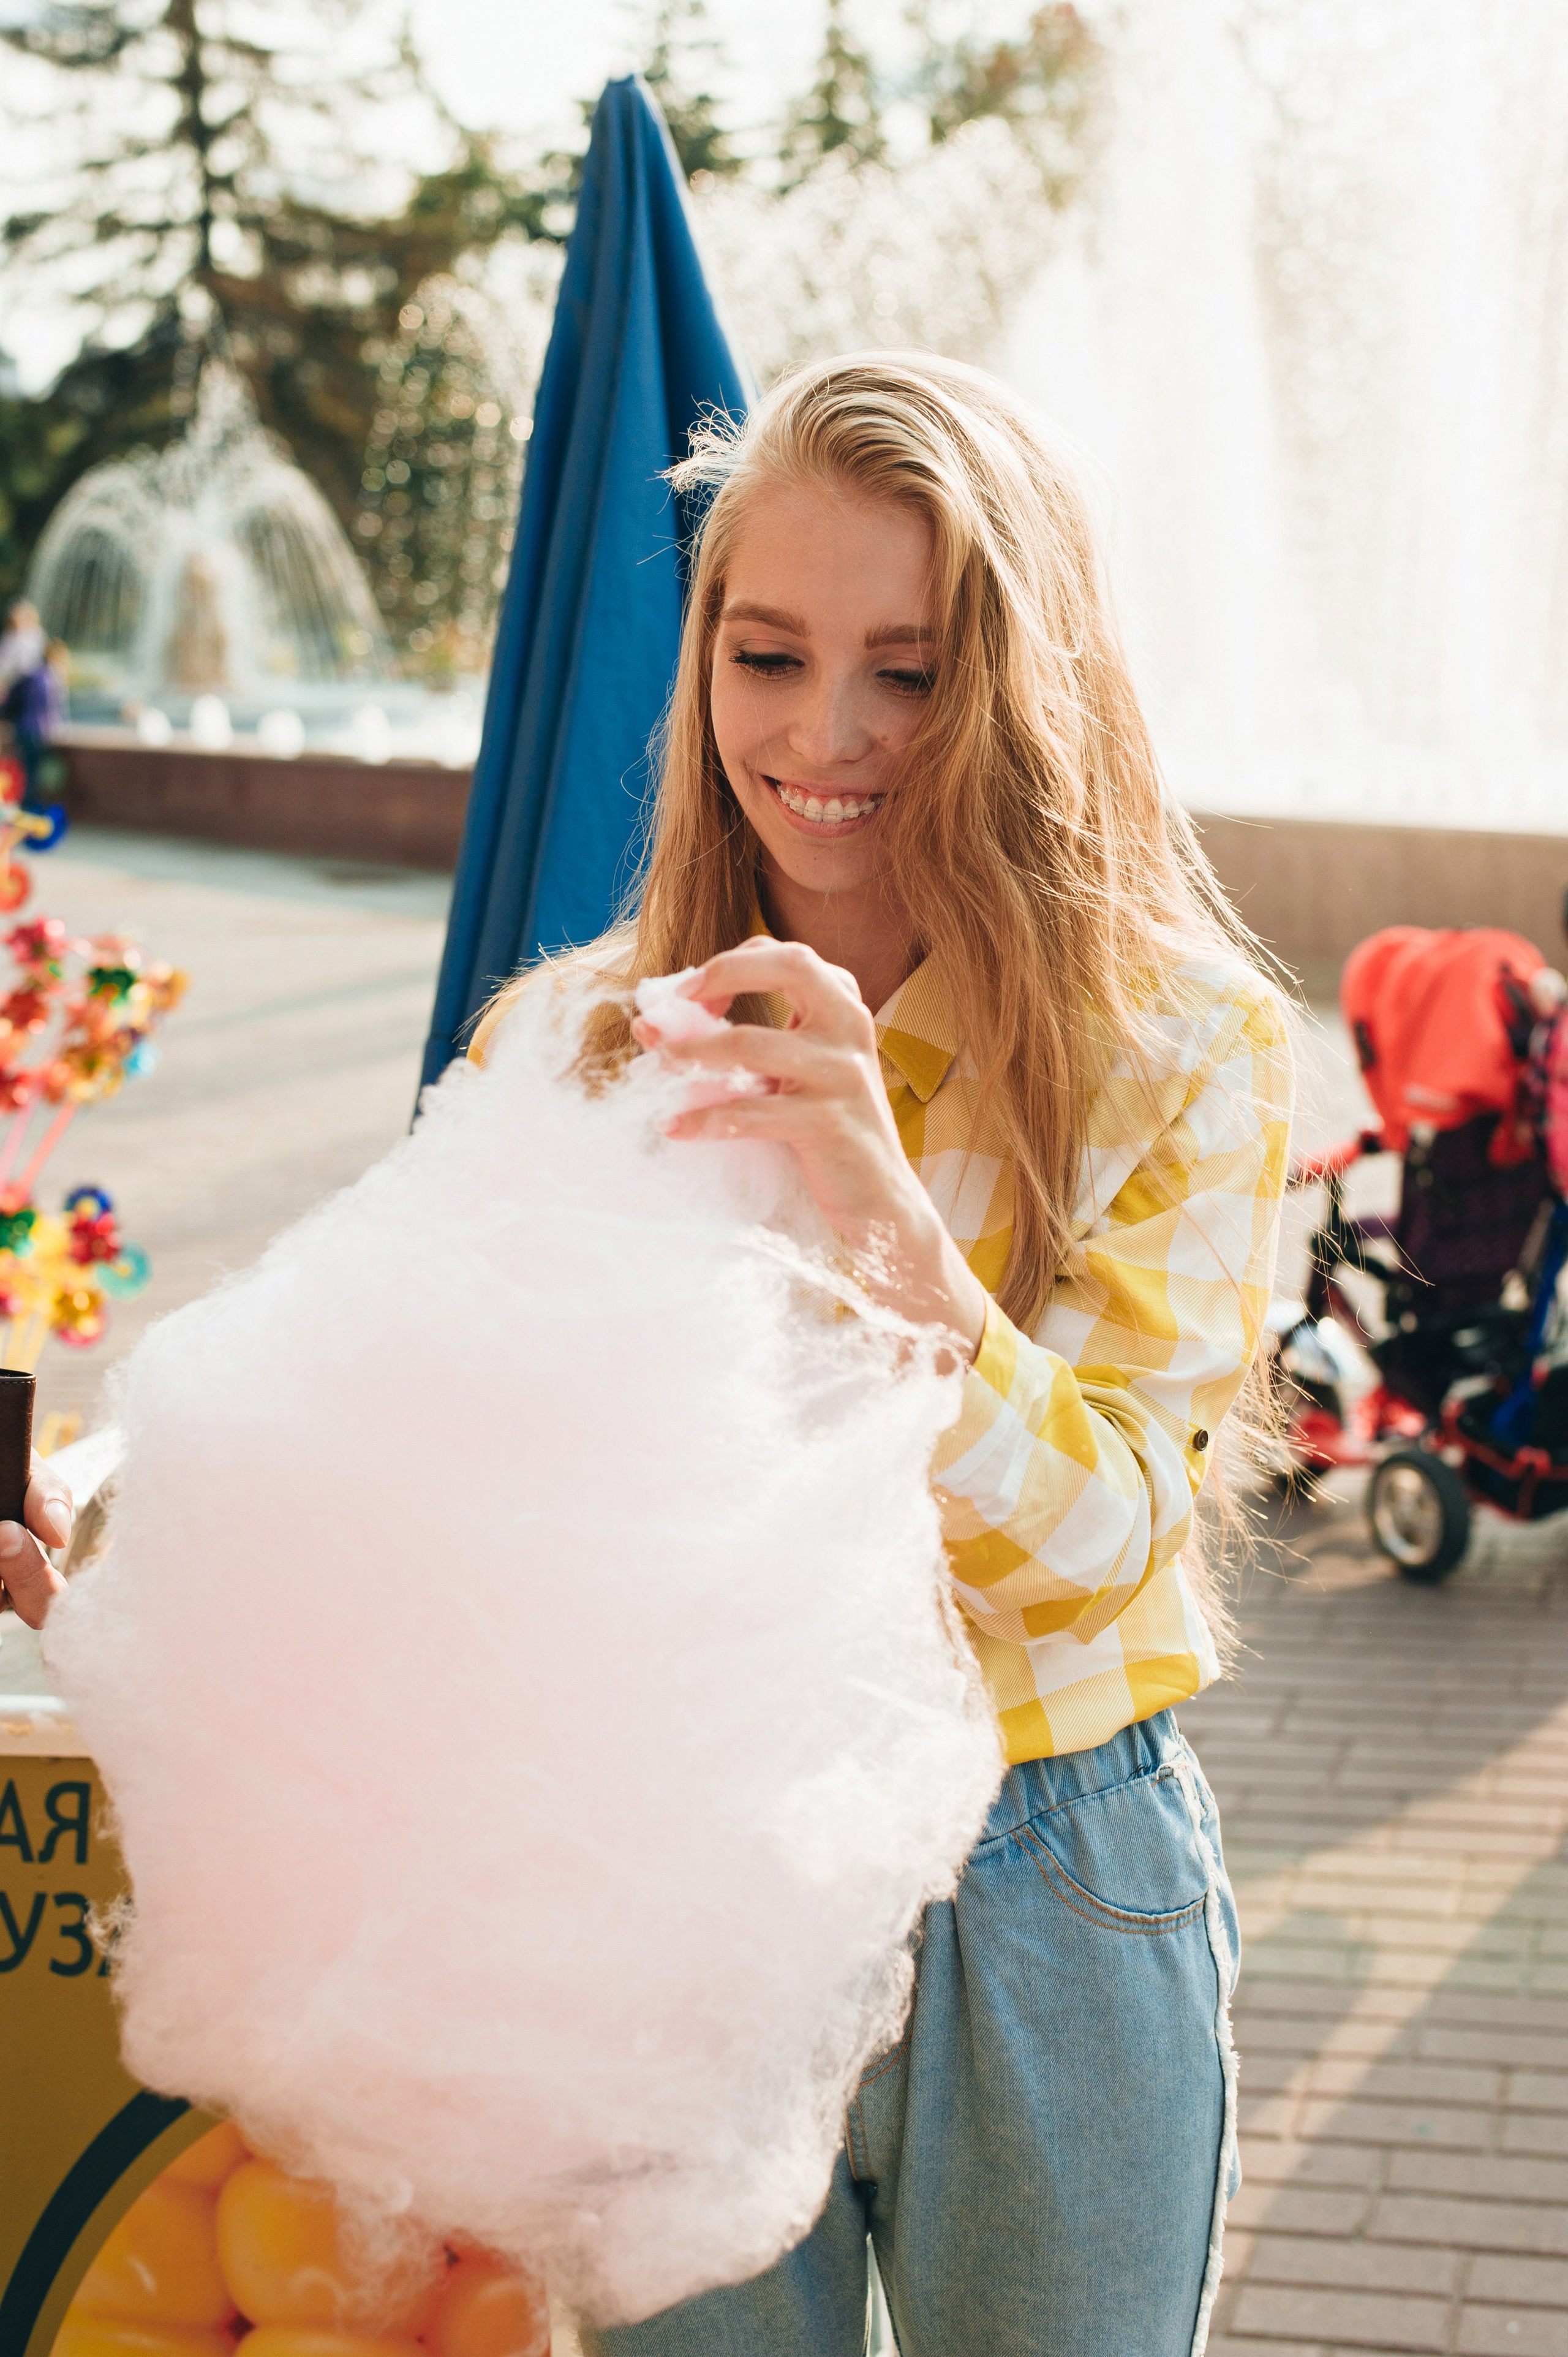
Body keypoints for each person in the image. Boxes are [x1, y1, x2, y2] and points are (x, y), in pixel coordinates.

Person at [472, 355, 1292, 2357]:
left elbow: (1097, 1540)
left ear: (1020, 685)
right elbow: (476, 1489)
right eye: (768, 653)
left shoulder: (1185, 1049)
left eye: (909, 672)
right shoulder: (574, 1036)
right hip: (681, 1857)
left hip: (1044, 1868)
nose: (824, 734)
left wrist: (885, 1216)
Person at [2, 636, 68, 809]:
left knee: (31, 770)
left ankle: (28, 805)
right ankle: (28, 806)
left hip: (27, 729)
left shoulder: (36, 674)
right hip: (36, 731)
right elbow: (50, 708)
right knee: (32, 771)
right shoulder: (48, 677)